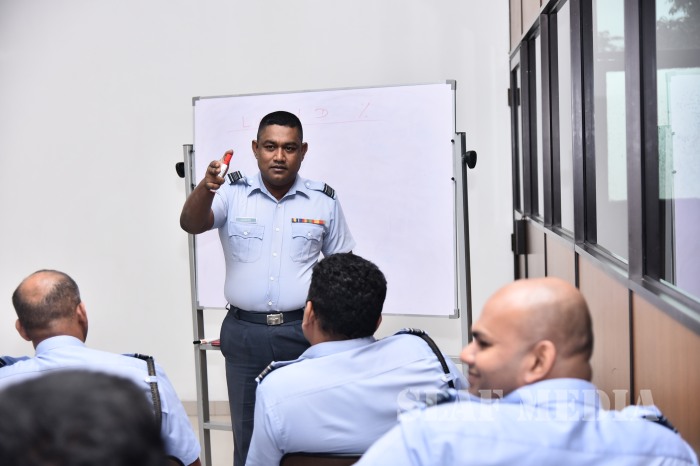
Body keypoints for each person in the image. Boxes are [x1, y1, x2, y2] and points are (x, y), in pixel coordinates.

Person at [357, 277, 699, 465]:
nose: (466, 354)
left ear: (539, 360)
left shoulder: (434, 437)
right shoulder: (666, 451)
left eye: (483, 343)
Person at [180, 110, 355, 465]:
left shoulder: (323, 200)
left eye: (289, 148)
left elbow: (343, 269)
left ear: (302, 151)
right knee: (248, 436)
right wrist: (206, 187)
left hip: (303, 332)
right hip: (244, 334)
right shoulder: (231, 193)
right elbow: (191, 223)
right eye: (270, 146)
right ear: (255, 148)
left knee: (304, 434)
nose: (279, 156)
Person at [245, 253, 467, 466]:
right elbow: (469, 432)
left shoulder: (277, 390)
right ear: (378, 321)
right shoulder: (428, 359)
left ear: (309, 313)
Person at [0, 270, 201, 466]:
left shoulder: (5, 383)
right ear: (81, 313)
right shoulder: (144, 375)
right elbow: (185, 459)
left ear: (22, 329)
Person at [0, 370, 171, 466]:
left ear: (21, 329)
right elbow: (183, 455)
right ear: (82, 318)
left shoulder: (7, 378)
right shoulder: (145, 371)